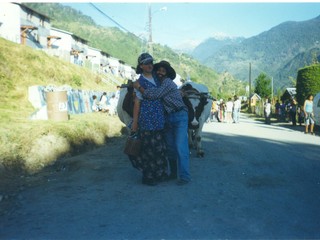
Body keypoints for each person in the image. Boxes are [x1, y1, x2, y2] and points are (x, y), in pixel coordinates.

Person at [133, 60, 191, 185]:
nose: (160, 72)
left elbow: (154, 95)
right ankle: (174, 173)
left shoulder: (167, 83)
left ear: (167, 73)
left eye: (163, 71)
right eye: (158, 70)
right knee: (170, 147)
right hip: (168, 118)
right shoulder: (158, 83)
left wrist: (139, 87)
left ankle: (185, 176)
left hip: (179, 116)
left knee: (180, 147)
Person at [130, 53, 169, 186]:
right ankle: (149, 176)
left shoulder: (158, 79)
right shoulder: (139, 83)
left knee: (160, 147)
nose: (149, 65)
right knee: (148, 148)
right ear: (141, 66)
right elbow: (137, 103)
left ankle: (160, 174)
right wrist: (135, 122)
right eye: (146, 63)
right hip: (146, 118)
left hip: (159, 118)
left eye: (151, 62)